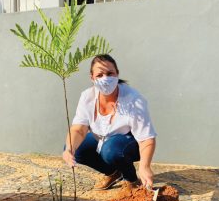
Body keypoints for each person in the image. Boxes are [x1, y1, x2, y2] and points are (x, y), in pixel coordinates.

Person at [63, 54, 157, 190]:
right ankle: (113, 172)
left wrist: (145, 166)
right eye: (99, 75)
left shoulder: (134, 99)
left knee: (111, 150)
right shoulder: (87, 97)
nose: (105, 78)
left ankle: (130, 178)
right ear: (92, 78)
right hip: (104, 140)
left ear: (117, 74)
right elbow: (79, 129)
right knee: (76, 149)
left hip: (129, 143)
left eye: (110, 73)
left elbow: (146, 139)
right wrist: (70, 149)